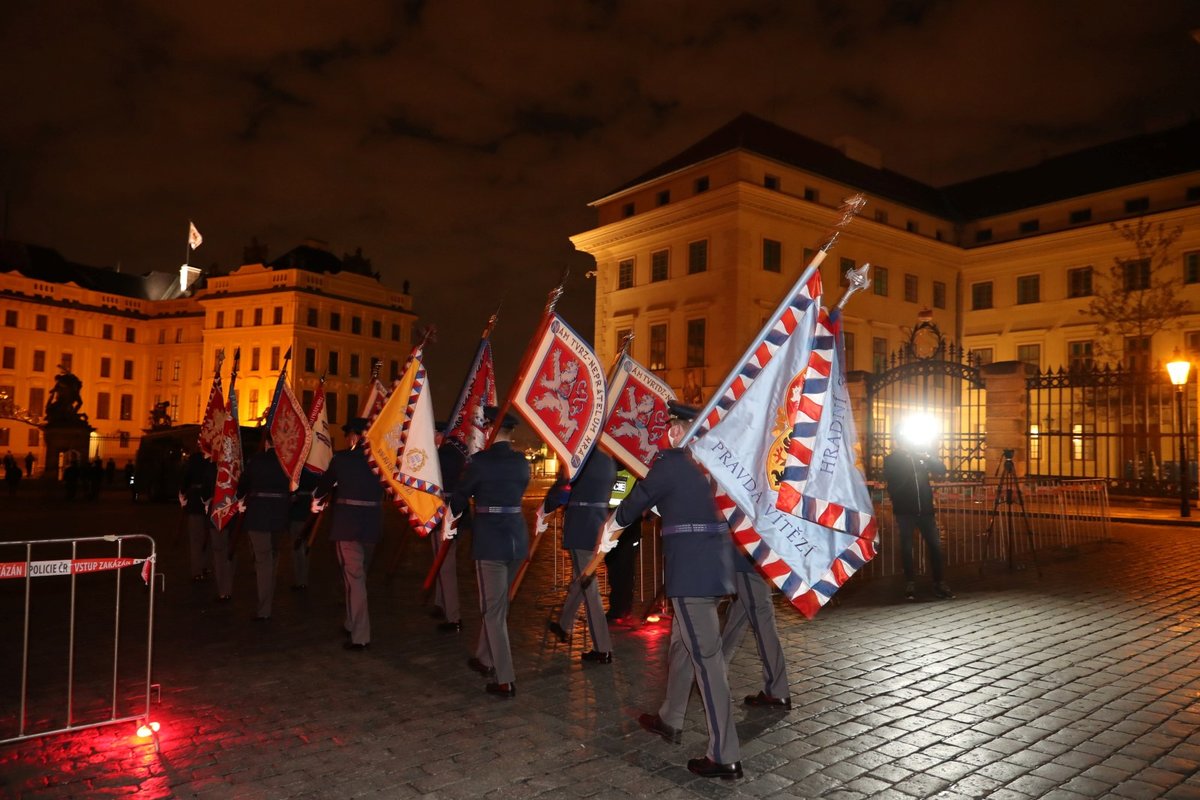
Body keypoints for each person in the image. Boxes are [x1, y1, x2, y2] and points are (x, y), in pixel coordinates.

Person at [607, 401, 742, 780]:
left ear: (681, 430)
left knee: (707, 661)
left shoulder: (672, 462)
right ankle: (670, 717)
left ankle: (724, 753)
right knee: (682, 645)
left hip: (690, 575)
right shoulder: (712, 463)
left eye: (672, 426)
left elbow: (636, 500)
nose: (669, 432)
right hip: (713, 571)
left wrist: (608, 529)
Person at [445, 406, 530, 697]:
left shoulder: (480, 462)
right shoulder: (522, 463)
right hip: (517, 540)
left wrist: (452, 516)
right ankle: (484, 657)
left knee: (493, 611)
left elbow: (460, 494)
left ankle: (505, 679)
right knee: (499, 605)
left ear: (491, 429)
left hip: (491, 541)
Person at [313, 417, 384, 651]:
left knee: (355, 580)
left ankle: (360, 635)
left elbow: (324, 485)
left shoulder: (342, 459)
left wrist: (317, 499)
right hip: (372, 526)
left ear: (353, 436)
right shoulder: (381, 461)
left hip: (347, 526)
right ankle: (351, 621)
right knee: (357, 577)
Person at [543, 449, 616, 663]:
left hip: (581, 525)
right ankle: (564, 625)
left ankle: (602, 647)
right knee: (581, 579)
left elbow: (562, 488)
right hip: (599, 523)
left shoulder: (578, 458)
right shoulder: (609, 461)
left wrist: (547, 506)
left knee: (588, 585)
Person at [882, 429, 954, 602]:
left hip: (926, 511)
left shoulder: (921, 457)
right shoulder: (892, 460)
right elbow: (892, 481)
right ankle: (910, 582)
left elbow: (941, 470)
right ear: (900, 442)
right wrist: (910, 463)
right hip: (905, 510)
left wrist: (927, 457)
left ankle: (939, 582)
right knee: (907, 547)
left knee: (935, 546)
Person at [720, 552, 791, 710]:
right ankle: (716, 673)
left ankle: (777, 690)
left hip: (746, 561)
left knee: (762, 622)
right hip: (752, 560)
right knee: (737, 616)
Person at [237, 433, 292, 620]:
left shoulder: (256, 461)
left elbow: (243, 485)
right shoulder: (288, 462)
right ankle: (267, 598)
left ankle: (264, 608)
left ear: (267, 443)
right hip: (279, 515)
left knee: (262, 560)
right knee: (273, 557)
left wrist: (240, 498)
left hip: (258, 515)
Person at [432, 426, 466, 632]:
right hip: (458, 514)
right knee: (442, 561)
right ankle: (441, 603)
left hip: (444, 514)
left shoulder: (441, 456)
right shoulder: (459, 452)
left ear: (440, 435)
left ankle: (453, 617)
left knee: (445, 565)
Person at [603, 469, 641, 625]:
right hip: (610, 526)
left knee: (625, 570)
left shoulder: (634, 472)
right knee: (613, 570)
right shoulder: (610, 469)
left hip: (628, 531)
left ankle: (621, 609)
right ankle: (617, 607)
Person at [179, 451, 215, 582]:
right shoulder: (213, 458)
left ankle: (197, 570)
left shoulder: (194, 459)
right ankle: (205, 565)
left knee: (196, 537)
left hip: (195, 500)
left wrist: (183, 492)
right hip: (210, 499)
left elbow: (186, 478)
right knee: (207, 534)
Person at [284, 468, 317, 591]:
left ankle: (301, 580)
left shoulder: (295, 471)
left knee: (298, 548)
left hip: (297, 513)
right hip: (308, 512)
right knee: (304, 547)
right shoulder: (314, 471)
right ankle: (302, 579)